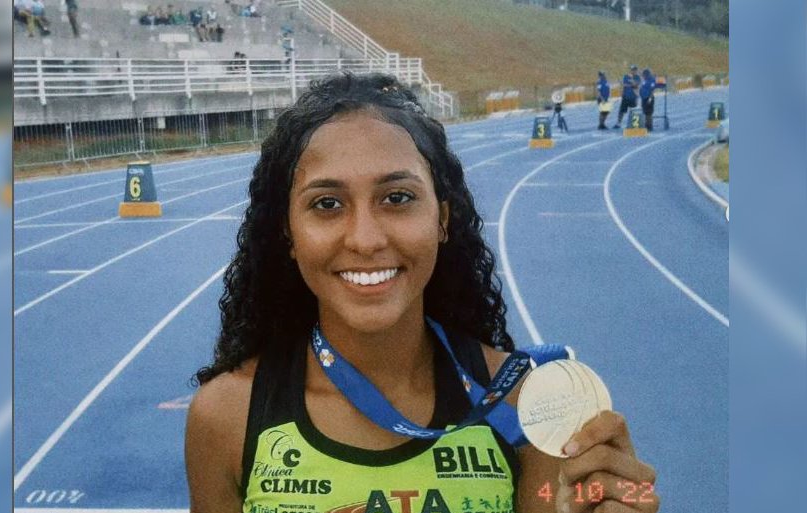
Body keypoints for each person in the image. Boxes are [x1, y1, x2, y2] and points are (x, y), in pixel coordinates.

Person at [185, 72, 660, 513]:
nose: (365, 239)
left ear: (442, 220)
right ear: (288, 233)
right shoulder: (228, 416)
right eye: (326, 204)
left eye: (397, 198)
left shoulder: (525, 408)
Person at [613, 64, 640, 129]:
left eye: (633, 70)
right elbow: (624, 85)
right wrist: (632, 85)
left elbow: (636, 85)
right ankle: (618, 123)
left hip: (633, 97)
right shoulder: (626, 76)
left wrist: (632, 80)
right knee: (621, 111)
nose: (632, 71)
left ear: (636, 70)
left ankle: (635, 124)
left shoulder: (637, 77)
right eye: (631, 70)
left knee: (634, 111)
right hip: (625, 96)